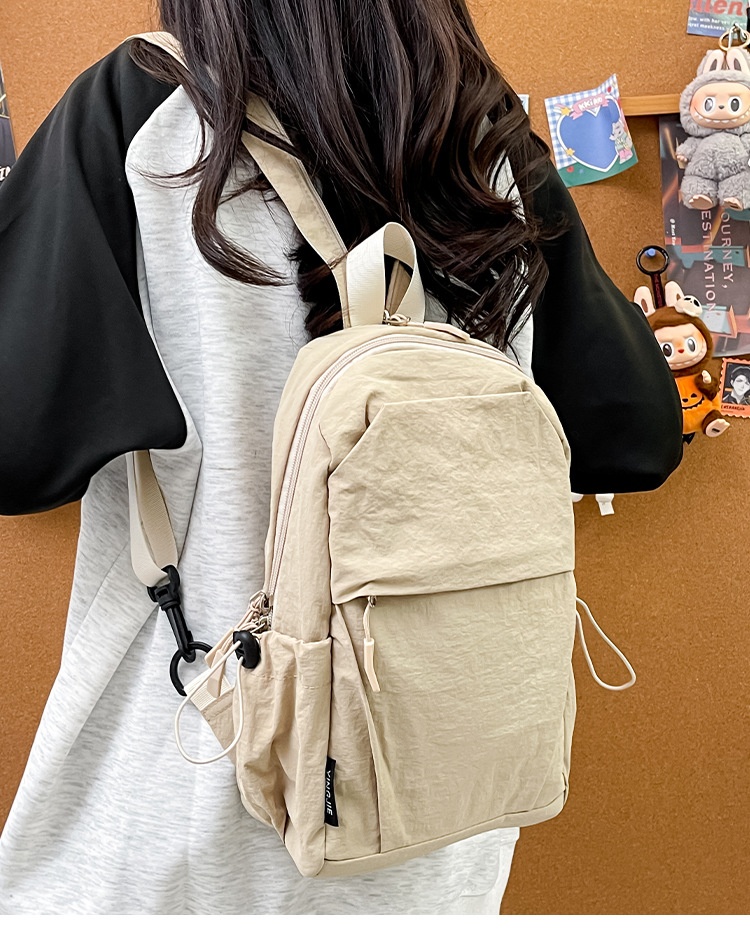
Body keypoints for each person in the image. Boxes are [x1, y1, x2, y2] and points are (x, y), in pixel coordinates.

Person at [0, 0, 682, 915]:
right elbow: (633, 435)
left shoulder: (147, 106)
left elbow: (19, 452)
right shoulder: (484, 139)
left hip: (197, 785)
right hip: (438, 809)